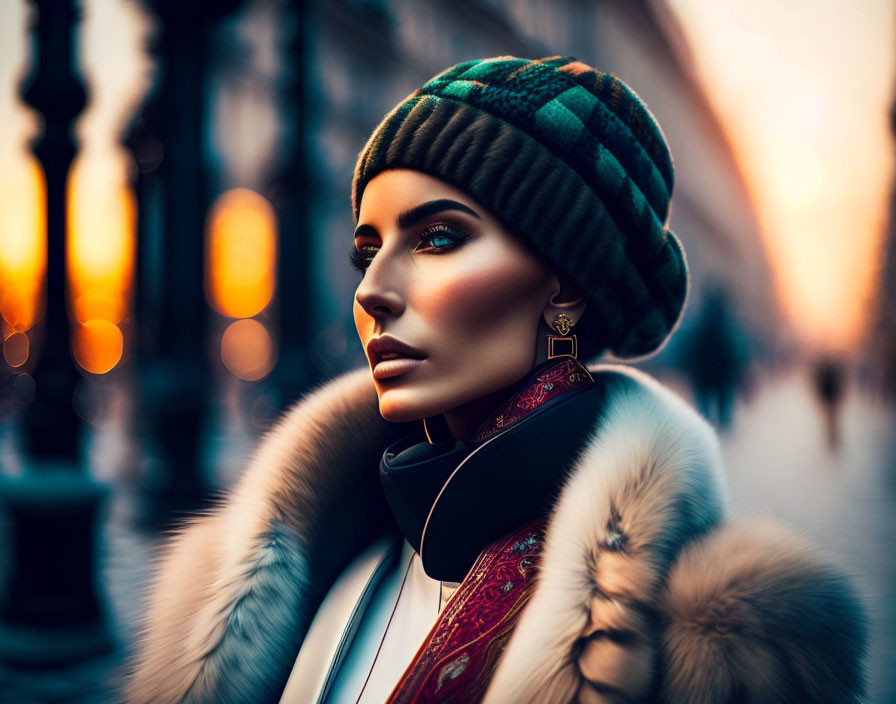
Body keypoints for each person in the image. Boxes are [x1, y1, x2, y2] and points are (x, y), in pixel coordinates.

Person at [127, 56, 866, 703]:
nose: (371, 289)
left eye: (438, 237)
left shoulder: (721, 644)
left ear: (564, 288)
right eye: (367, 250)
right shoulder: (255, 585)